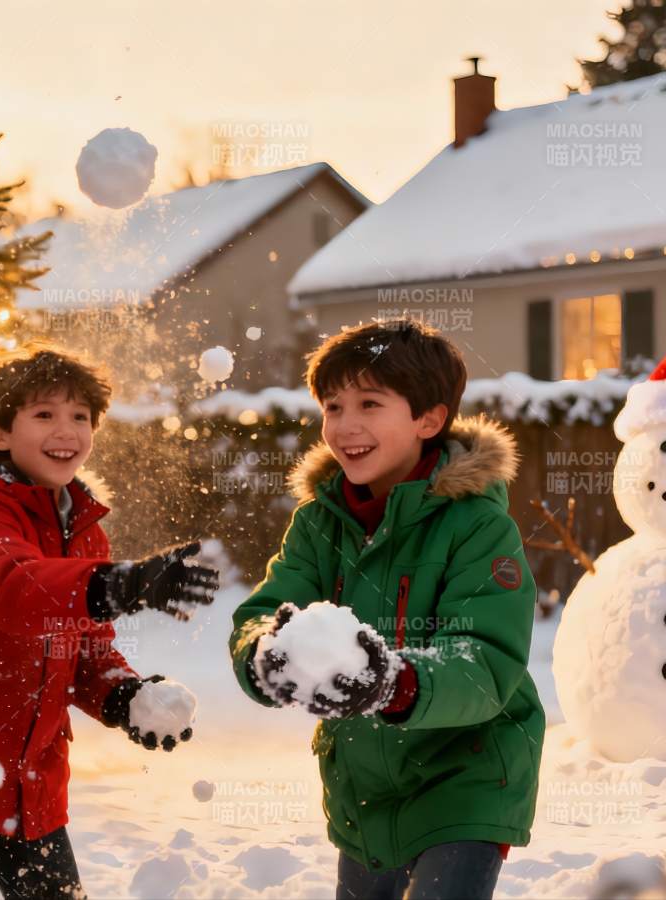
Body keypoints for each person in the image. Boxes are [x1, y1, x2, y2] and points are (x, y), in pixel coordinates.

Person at [0, 345, 218, 899]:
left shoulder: (81, 527)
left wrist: (124, 696)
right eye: (45, 414)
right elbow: (16, 592)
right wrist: (117, 584)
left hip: (31, 775)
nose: (68, 430)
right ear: (0, 433)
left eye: (81, 417)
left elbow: (85, 650)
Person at [230, 319, 544, 900]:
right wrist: (263, 654)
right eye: (333, 406)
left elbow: (485, 660)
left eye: (370, 404)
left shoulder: (477, 525)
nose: (345, 426)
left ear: (429, 419)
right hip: (364, 784)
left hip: (466, 773)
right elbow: (267, 608)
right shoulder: (319, 523)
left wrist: (390, 682)